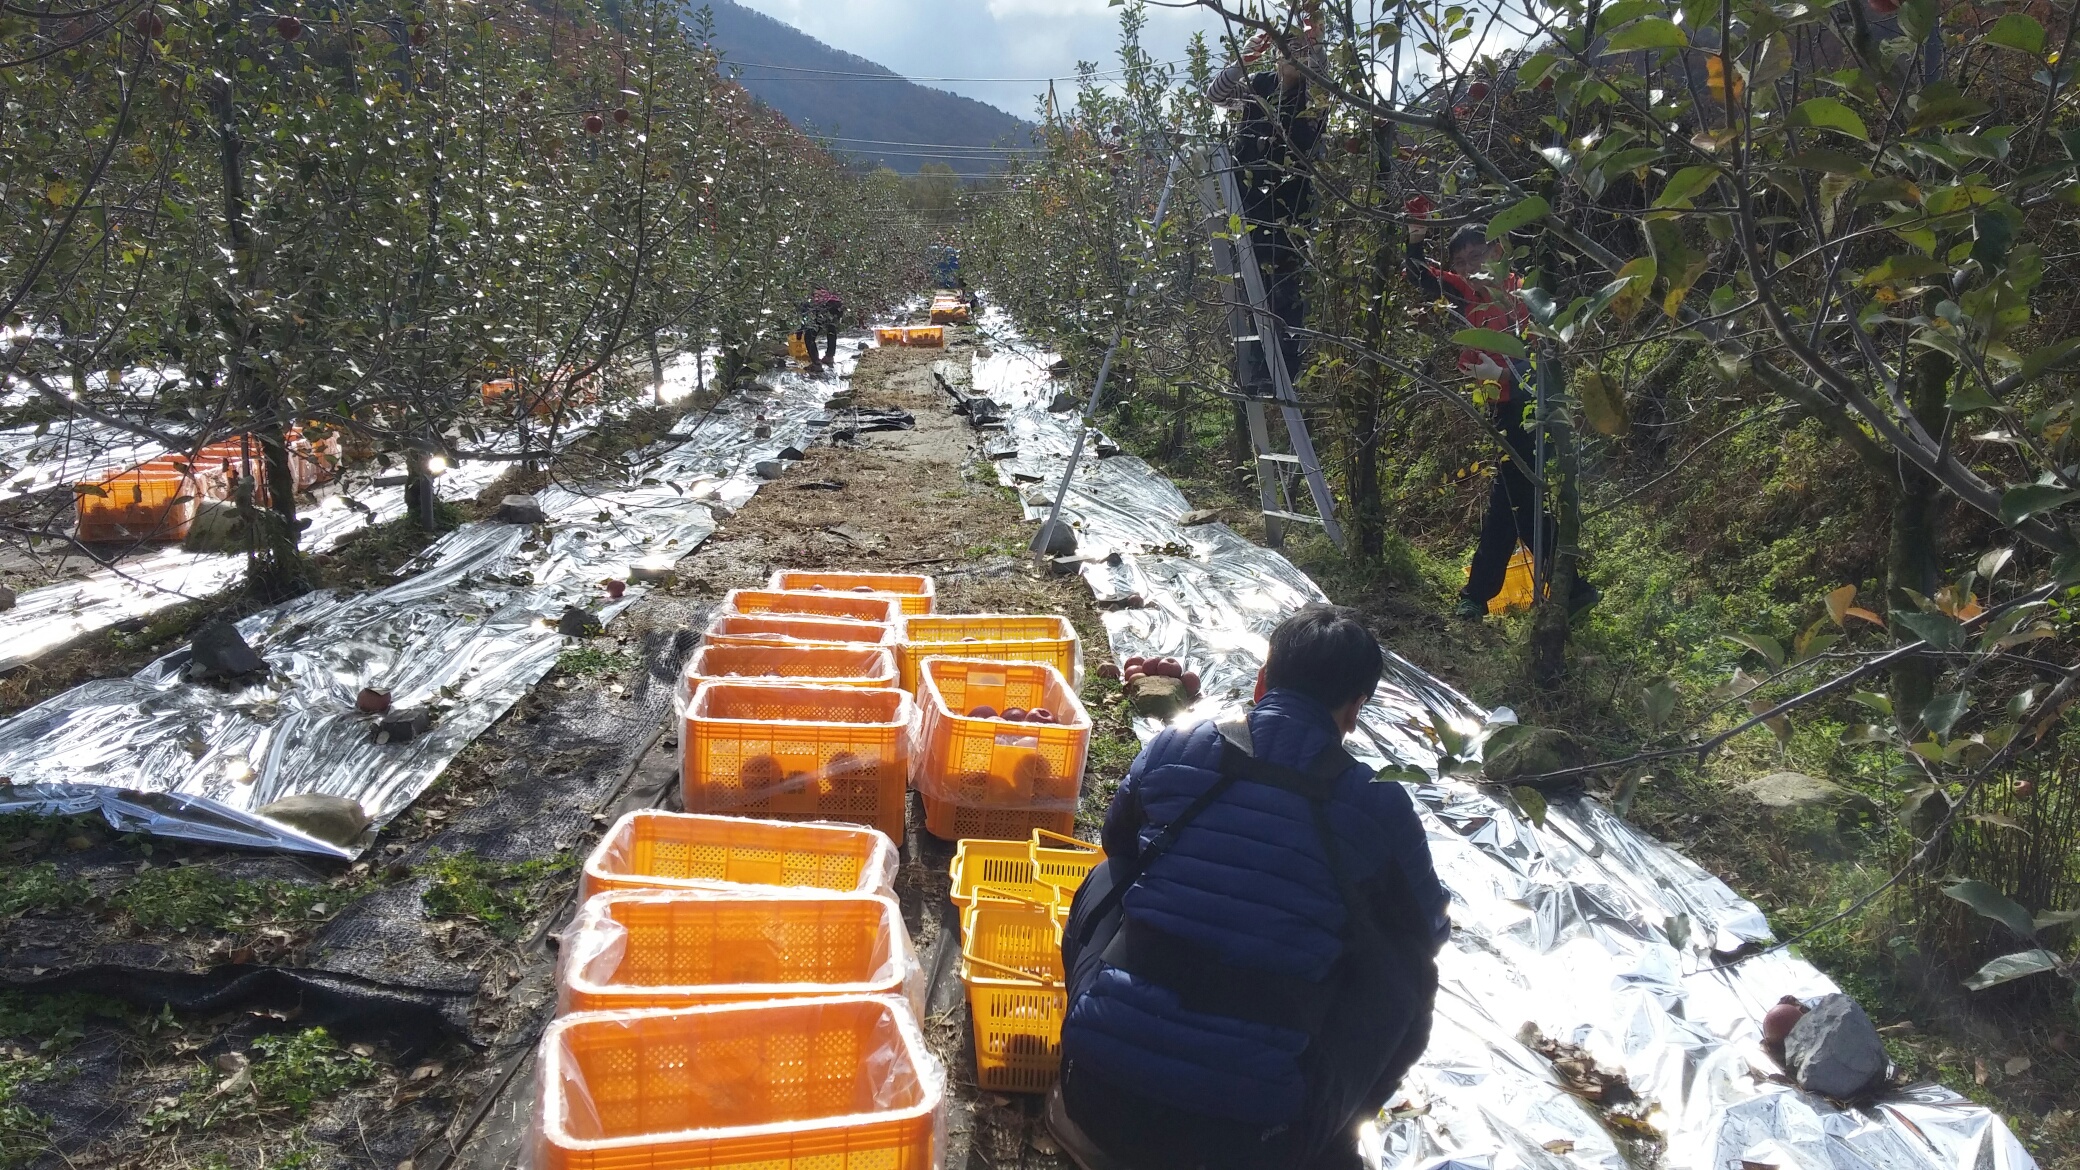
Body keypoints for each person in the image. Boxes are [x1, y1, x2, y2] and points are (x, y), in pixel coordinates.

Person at [1047, 605, 1449, 1170]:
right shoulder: (1379, 806)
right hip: (1251, 1142)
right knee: (1409, 976)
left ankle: (1100, 1052)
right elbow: (1427, 931)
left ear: (1263, 679)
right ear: (1354, 710)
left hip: (1097, 1097)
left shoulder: (1171, 747)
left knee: (1108, 877)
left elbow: (1121, 845)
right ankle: (1326, 1140)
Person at [1404, 220, 1595, 619]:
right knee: (1513, 504)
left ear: (1498, 251)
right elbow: (1421, 277)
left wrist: (1505, 375)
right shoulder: (1468, 295)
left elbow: (1551, 366)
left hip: (1535, 414)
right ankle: (1552, 589)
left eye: (1477, 256)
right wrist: (1416, 236)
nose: (1470, 267)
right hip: (1503, 411)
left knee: (1515, 506)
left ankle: (1547, 590)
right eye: (1460, 262)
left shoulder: (1526, 297)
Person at [1206, 19, 1324, 391]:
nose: (1290, 56)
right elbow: (1216, 95)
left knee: (1287, 291)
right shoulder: (1260, 86)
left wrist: (1314, 44)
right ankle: (1257, 372)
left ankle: (1285, 374)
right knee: (1254, 290)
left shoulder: (1312, 96)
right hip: (1251, 207)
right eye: (1284, 48)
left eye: (1298, 49)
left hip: (1291, 211)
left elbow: (1323, 79)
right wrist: (1244, 58)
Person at [796, 288, 843, 372]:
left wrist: (799, 331)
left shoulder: (806, 295)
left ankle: (816, 364)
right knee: (831, 330)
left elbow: (804, 314)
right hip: (836, 304)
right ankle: (829, 356)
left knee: (809, 335)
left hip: (821, 305)